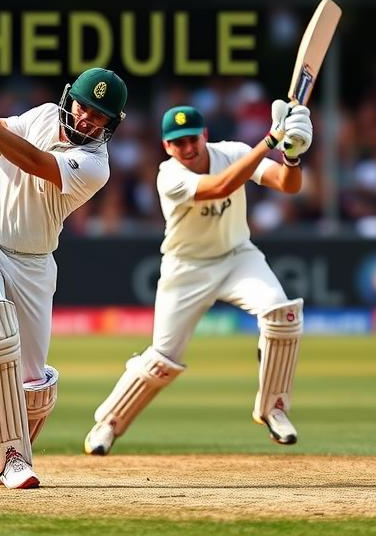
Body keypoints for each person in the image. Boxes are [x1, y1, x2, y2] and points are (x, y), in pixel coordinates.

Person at [0, 56, 127, 488]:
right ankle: (12, 457)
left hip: (33, 264)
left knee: (34, 387)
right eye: (85, 107)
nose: (87, 119)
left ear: (110, 125)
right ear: (70, 99)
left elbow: (36, 163)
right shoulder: (45, 115)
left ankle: (6, 455)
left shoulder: (96, 165)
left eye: (99, 116)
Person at [84, 100, 313, 455]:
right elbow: (218, 188)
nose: (188, 148)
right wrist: (270, 140)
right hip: (186, 268)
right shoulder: (168, 176)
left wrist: (293, 155)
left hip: (238, 257)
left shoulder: (234, 151)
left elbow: (287, 185)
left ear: (205, 135)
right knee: (162, 358)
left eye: (193, 138)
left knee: (282, 315)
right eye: (178, 142)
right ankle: (108, 423)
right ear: (166, 146)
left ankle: (273, 409)